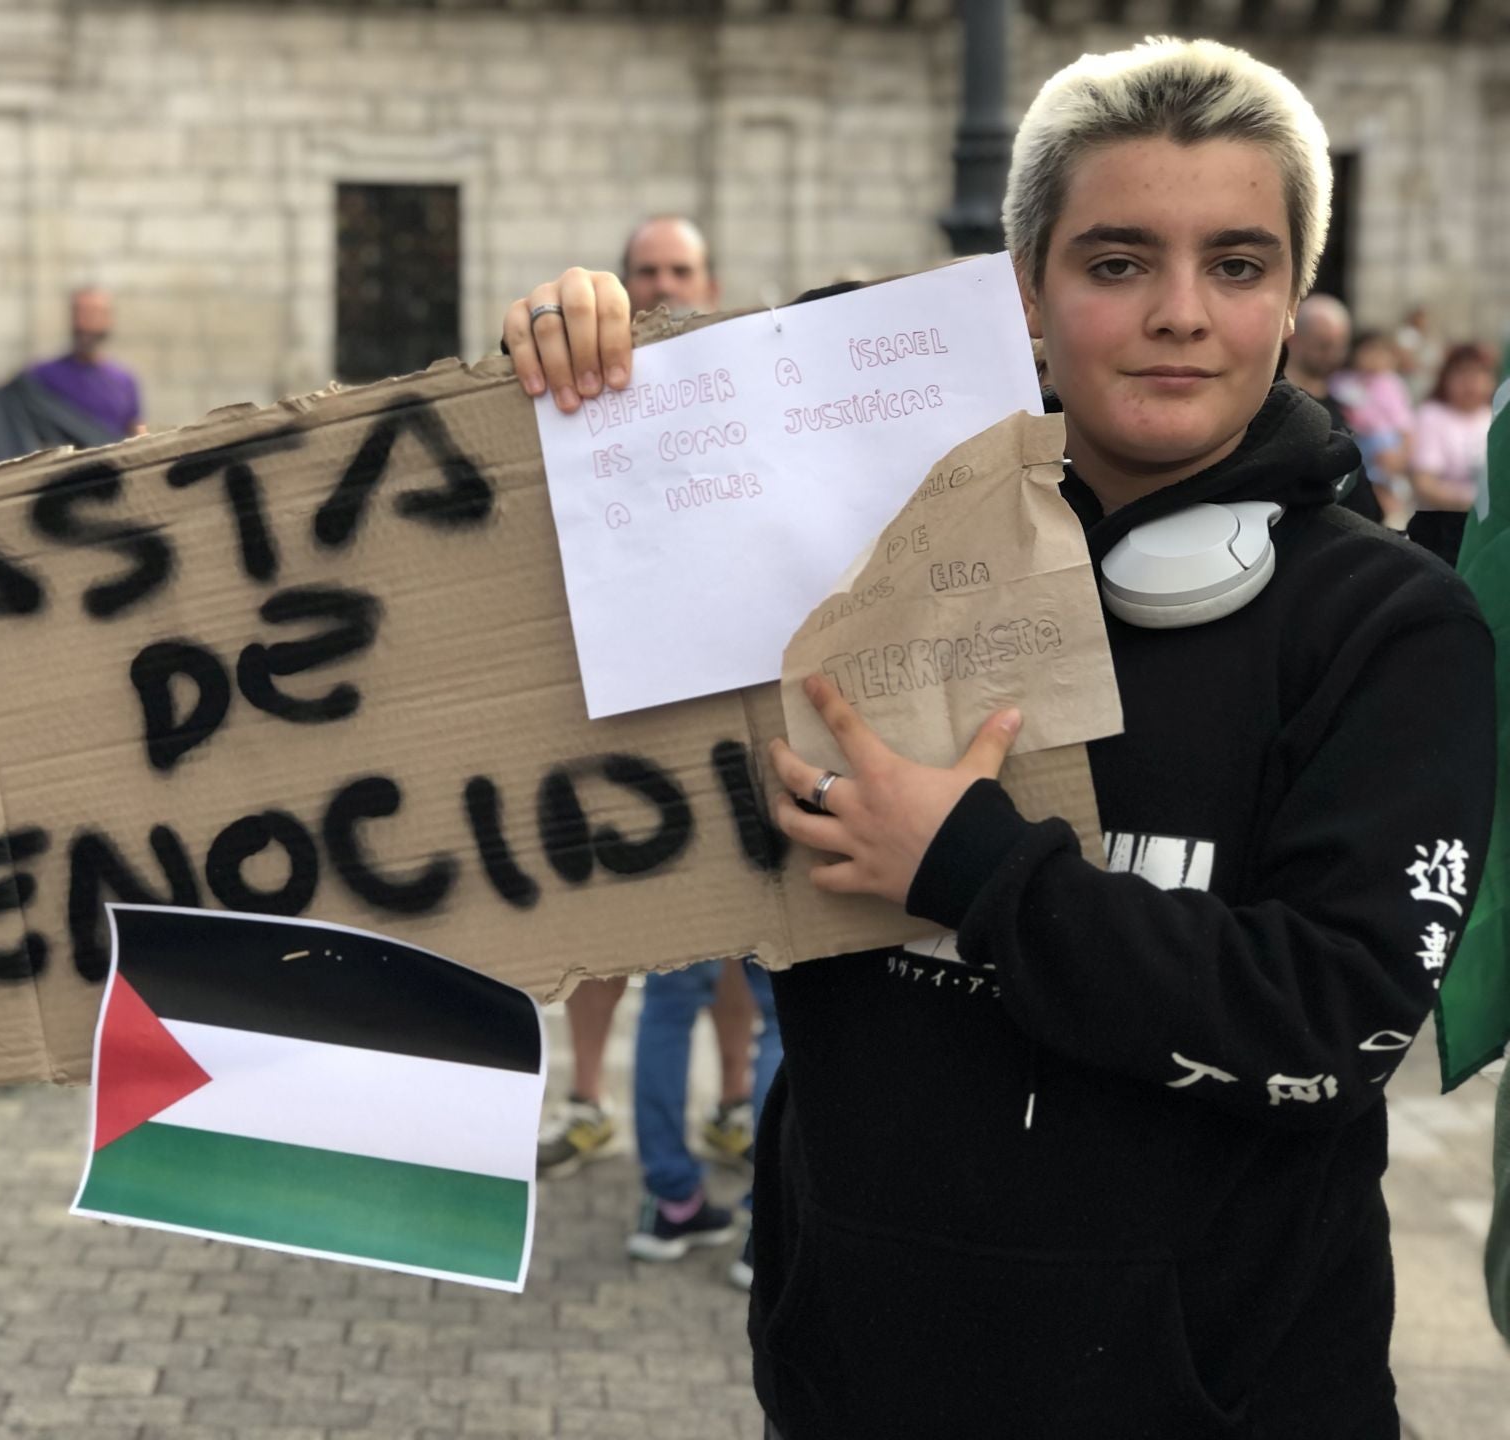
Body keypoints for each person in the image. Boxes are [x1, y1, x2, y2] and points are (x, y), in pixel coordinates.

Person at [505, 36, 1495, 1438]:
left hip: (1230, 1402)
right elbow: (537, 700)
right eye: (1116, 262)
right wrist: (598, 400)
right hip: (854, 1390)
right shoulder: (849, 554)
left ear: (1293, 295)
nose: (1178, 314)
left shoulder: (1392, 626)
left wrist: (979, 874)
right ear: (1026, 288)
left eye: (1236, 264)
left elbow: (1335, 1025)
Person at [538, 215, 764, 1198]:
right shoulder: (575, 387)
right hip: (613, 703)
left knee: (736, 939)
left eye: (681, 269)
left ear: (709, 283)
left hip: (726, 702)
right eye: (648, 271)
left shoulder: (751, 383)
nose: (666, 284)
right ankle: (589, 1101)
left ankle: (733, 1102)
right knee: (605, 928)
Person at [1283, 293, 1387, 522]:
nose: (1333, 354)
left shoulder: (1342, 404)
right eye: (1323, 344)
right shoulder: (1283, 406)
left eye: (1341, 346)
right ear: (1293, 338)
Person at [1404, 343, 1495, 565]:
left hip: (1487, 529)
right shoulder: (1432, 416)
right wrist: (1478, 501)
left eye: (1478, 373)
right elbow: (1425, 485)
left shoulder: (1495, 417)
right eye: (1462, 373)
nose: (1470, 382)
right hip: (1442, 528)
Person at [27, 287, 146, 440]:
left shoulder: (124, 381)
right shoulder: (43, 376)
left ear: (108, 320)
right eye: (81, 313)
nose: (86, 323)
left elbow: (136, 430)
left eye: (94, 314)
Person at [1332, 328, 1415, 515]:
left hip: (1384, 445)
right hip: (1355, 440)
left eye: (1381, 352)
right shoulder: (1343, 380)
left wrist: (1401, 456)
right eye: (1368, 350)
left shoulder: (1391, 384)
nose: (1374, 357)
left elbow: (1405, 425)